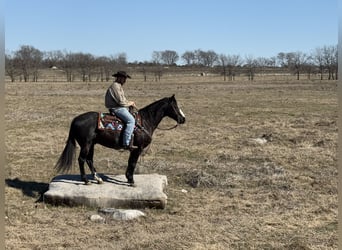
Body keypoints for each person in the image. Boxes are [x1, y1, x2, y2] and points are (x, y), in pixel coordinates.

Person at [105, 71, 137, 150]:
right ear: (119, 78)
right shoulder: (115, 86)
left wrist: (129, 103)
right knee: (131, 121)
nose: (125, 80)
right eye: (123, 78)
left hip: (120, 107)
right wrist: (130, 103)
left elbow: (122, 100)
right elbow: (120, 101)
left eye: (125, 78)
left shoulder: (118, 86)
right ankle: (126, 143)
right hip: (117, 108)